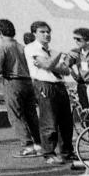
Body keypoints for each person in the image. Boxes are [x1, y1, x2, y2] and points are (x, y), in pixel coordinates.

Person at [26, 20, 77, 167]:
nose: (47, 35)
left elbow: (65, 70)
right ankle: (49, 153)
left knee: (66, 121)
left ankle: (67, 151)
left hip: (59, 85)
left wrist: (52, 62)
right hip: (44, 85)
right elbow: (47, 65)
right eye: (42, 32)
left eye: (48, 32)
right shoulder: (32, 48)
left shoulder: (51, 51)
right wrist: (56, 58)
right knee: (49, 121)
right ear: (35, 33)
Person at [0, 18, 42, 156]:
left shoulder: (1, 46)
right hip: (27, 82)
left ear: (0, 32)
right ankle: (39, 144)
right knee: (31, 114)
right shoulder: (22, 47)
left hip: (12, 82)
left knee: (15, 115)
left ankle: (27, 145)